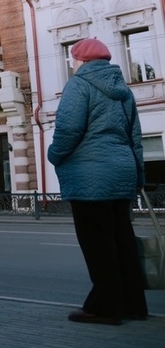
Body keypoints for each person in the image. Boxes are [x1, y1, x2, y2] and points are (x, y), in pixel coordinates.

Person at [48, 38, 148, 325]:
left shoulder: (78, 85)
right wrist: (138, 175)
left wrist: (54, 154)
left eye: (73, 59)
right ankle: (133, 305)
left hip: (90, 175)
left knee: (98, 244)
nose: (72, 63)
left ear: (82, 60)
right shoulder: (124, 91)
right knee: (122, 241)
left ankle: (105, 308)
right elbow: (135, 137)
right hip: (122, 173)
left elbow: (68, 129)